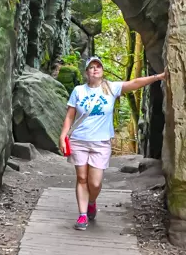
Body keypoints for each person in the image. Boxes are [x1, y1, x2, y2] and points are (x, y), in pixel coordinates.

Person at [59, 55, 166, 230]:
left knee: (95, 183)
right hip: (79, 140)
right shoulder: (79, 90)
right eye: (91, 67)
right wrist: (63, 136)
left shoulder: (111, 88)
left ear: (102, 70)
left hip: (101, 143)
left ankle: (91, 201)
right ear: (87, 72)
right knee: (81, 178)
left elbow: (135, 83)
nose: (95, 69)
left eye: (98, 66)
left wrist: (158, 77)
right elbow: (70, 115)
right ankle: (82, 215)